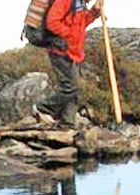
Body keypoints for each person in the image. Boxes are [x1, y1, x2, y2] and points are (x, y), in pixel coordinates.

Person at [32, 0, 103, 128]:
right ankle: (42, 107)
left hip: (74, 52)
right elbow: (52, 22)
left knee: (75, 90)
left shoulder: (80, 3)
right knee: (70, 87)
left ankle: (67, 123)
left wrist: (94, 12)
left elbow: (81, 25)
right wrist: (69, 35)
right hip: (61, 50)